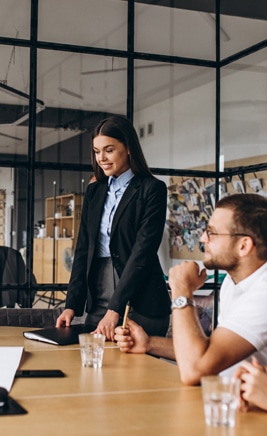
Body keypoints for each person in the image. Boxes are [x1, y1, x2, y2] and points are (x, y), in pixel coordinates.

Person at [115, 193, 267, 385]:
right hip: (230, 402)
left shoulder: (264, 293)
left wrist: (181, 290)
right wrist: (149, 343)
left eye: (212, 233)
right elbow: (209, 351)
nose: (203, 238)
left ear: (244, 245)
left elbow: (194, 370)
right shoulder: (233, 280)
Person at [56, 115, 170, 340]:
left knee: (134, 372)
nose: (101, 158)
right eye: (97, 151)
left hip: (142, 299)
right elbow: (83, 249)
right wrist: (72, 305)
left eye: (109, 150)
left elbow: (142, 253)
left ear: (128, 148)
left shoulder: (152, 189)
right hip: (99, 293)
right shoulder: (95, 191)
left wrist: (115, 309)